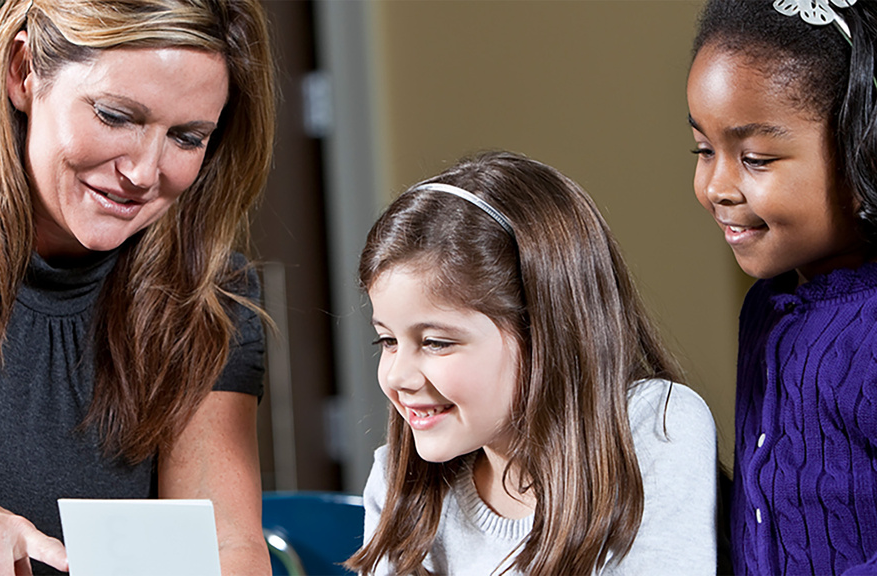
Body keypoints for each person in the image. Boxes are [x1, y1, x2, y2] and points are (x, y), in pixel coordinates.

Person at [0, 0, 275, 574]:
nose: (144, 173)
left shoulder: (205, 295)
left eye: (186, 137)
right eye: (116, 116)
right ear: (23, 71)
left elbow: (226, 554)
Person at [345, 151, 718, 575]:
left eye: (436, 342)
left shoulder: (658, 425)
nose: (397, 376)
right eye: (387, 340)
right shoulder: (397, 480)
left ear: (546, 330)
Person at [686, 1, 877, 574]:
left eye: (757, 159)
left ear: (862, 150)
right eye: (703, 150)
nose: (717, 186)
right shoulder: (766, 308)